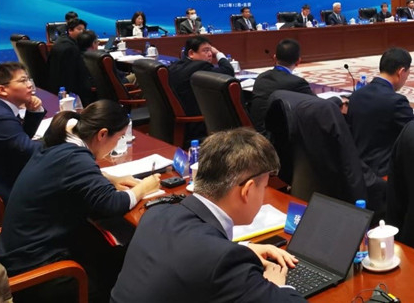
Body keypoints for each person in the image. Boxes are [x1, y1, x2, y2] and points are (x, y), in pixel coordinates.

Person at [110, 128, 304, 303]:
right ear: (248, 190)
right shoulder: (222, 261)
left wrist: (244, 249)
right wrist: (277, 285)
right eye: (265, 187)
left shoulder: (156, 214)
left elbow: (190, 253)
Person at [0, 101, 161, 303]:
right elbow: (112, 204)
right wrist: (144, 186)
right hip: (40, 274)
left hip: (24, 253)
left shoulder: (59, 142)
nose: (117, 144)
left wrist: (112, 179)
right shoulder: (75, 158)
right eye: (119, 137)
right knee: (123, 278)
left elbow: (67, 174)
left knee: (116, 255)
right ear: (102, 134)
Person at [348, 48, 414, 177]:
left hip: (357, 169)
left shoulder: (357, 94)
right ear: (401, 72)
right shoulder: (395, 101)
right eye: (408, 74)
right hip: (383, 174)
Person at [0, 63, 45, 227]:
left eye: (28, 79)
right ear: (2, 90)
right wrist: (66, 139)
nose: (29, 85)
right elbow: (28, 151)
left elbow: (18, 140)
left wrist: (33, 112)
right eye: (23, 81)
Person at [248, 39, 315, 139]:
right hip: (274, 141)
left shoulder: (261, 77)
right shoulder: (297, 82)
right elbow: (319, 105)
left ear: (275, 58)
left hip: (254, 135)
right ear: (298, 61)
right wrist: (337, 100)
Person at [168, 36, 235, 122]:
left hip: (175, 118)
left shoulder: (174, 66)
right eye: (205, 50)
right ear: (191, 53)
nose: (210, 54)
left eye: (210, 50)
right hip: (197, 120)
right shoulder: (200, 66)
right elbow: (228, 71)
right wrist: (218, 53)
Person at [48, 18, 95, 105]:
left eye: (84, 30)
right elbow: (76, 76)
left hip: (54, 87)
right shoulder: (71, 48)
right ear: (70, 30)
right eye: (79, 29)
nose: (82, 32)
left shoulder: (62, 41)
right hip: (69, 93)